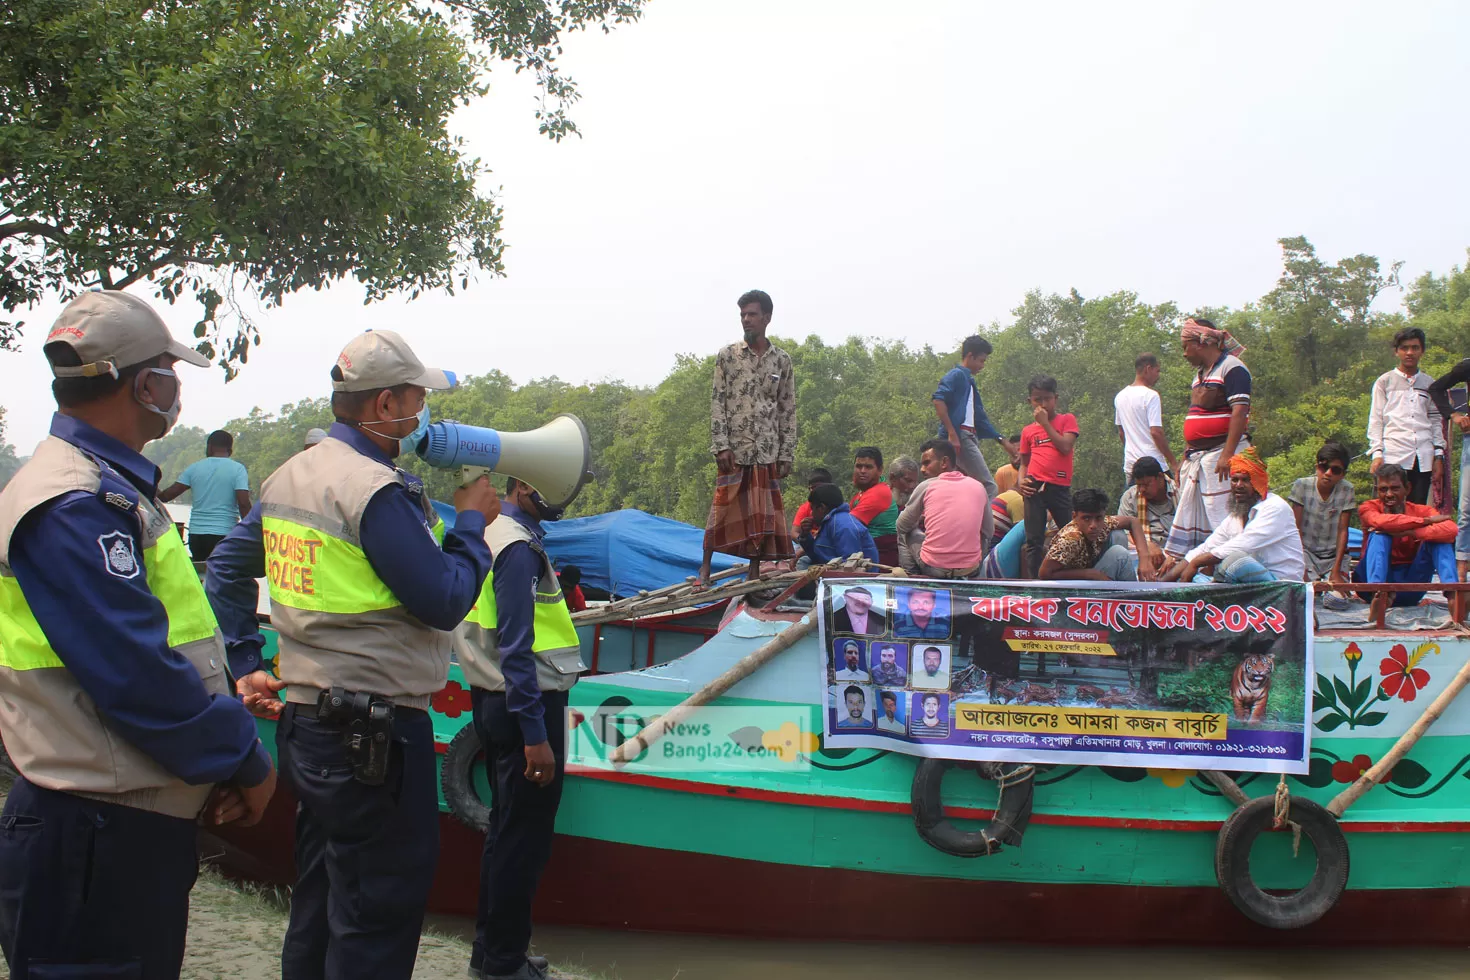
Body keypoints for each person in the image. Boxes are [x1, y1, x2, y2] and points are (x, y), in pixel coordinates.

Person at [205, 329, 498, 980]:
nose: (425, 412)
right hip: (379, 736)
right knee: (377, 913)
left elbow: (224, 570)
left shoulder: (290, 476)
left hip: (310, 726)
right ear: (387, 404)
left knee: (321, 902)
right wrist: (474, 526)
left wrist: (248, 659)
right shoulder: (373, 490)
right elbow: (445, 599)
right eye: (419, 398)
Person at [0, 291, 276, 978]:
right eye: (169, 372)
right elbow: (137, 675)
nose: (174, 389)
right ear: (148, 386)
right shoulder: (74, 504)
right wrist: (243, 757)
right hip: (93, 831)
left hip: (116, 818)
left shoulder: (109, 490)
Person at [454, 475, 587, 980]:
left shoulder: (490, 534)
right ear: (517, 485)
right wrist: (535, 735)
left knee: (505, 833)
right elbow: (517, 646)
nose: (560, 494)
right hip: (525, 705)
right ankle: (504, 964)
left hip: (494, 700)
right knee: (522, 843)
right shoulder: (516, 548)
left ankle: (492, 953)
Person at [702, 289, 796, 584]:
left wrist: (787, 453)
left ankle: (753, 573)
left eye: (752, 314)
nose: (746, 320)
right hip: (735, 448)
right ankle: (704, 568)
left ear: (766, 318)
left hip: (767, 449)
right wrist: (720, 444)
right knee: (721, 509)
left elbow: (787, 408)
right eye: (743, 315)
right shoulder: (727, 356)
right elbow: (718, 401)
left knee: (760, 515)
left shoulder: (781, 361)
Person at [1164, 317, 1253, 560]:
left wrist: (1228, 454)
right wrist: (1186, 453)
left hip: (1221, 455)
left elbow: (1240, 411)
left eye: (1185, 346)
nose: (1184, 354)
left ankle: (1229, 563)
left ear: (1202, 342)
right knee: (1200, 515)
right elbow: (1197, 416)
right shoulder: (1201, 374)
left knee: (1224, 517)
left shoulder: (1232, 367)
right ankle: (1200, 565)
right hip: (1199, 457)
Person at [1163, 448, 1305, 584]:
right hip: (1251, 584)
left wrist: (1197, 562)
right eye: (1235, 480)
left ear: (1258, 482)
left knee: (1234, 561)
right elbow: (1205, 548)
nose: (1238, 485)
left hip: (1282, 585)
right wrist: (1160, 584)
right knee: (1195, 578)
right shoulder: (1236, 517)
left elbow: (1241, 546)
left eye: (1245, 480)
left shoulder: (1275, 507)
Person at [933, 336, 1016, 546]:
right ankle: (980, 532)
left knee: (965, 487)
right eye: (981, 360)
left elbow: (980, 418)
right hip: (960, 436)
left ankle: (960, 524)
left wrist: (1001, 440)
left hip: (969, 435)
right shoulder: (957, 375)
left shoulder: (969, 381)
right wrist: (952, 433)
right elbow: (938, 399)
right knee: (988, 486)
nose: (982, 366)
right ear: (969, 356)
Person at [1353, 463, 1458, 607]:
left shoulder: (1422, 510)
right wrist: (1425, 521)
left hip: (1410, 584)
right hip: (1369, 583)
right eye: (1384, 489)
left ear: (1407, 488)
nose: (1389, 494)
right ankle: (1378, 593)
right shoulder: (1368, 507)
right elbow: (1379, 521)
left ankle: (1453, 595)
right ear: (1377, 491)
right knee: (1379, 534)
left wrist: (1413, 532)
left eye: (1395, 488)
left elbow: (1451, 529)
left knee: (1439, 539)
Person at [1367, 327, 1443, 506]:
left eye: (1415, 348)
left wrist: (1438, 456)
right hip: (1393, 454)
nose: (1410, 353)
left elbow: (1435, 421)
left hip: (1422, 457)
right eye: (1404, 348)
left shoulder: (1429, 383)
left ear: (1422, 351)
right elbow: (1376, 419)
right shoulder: (1384, 382)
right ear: (1397, 351)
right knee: (1390, 509)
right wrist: (1377, 453)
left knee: (1417, 509)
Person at [896, 438, 986, 578]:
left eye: (927, 463)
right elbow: (988, 531)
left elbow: (901, 525)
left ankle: (912, 579)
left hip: (935, 569)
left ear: (944, 462)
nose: (922, 469)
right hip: (972, 569)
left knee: (906, 533)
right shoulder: (979, 486)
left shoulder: (927, 486)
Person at [1017, 374, 1080, 578]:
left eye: (1047, 398)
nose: (1043, 404)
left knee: (1069, 533)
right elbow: (1024, 463)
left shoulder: (1066, 420)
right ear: (1030, 401)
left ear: (1056, 398)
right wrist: (1020, 482)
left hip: (1058, 485)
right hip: (1034, 485)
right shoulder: (1027, 431)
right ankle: (1035, 585)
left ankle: (1076, 577)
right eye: (1037, 399)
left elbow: (1065, 446)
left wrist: (1045, 424)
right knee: (1033, 540)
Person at [159, 428, 252, 561]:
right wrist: (251, 532)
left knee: (201, 574)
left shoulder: (194, 468)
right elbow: (243, 503)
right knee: (223, 576)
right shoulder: (238, 469)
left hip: (197, 535)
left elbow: (166, 496)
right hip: (225, 534)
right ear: (230, 451)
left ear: (209, 447)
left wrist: (148, 485)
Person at [1039, 489, 1158, 582]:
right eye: (1086, 518)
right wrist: (1089, 574)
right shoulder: (1069, 539)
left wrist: (1144, 559)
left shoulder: (1104, 523)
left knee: (1118, 535)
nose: (1093, 525)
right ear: (1074, 517)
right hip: (1076, 587)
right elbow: (1044, 574)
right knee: (1119, 553)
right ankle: (1133, 601)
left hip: (1094, 571)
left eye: (1098, 518)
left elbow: (1133, 521)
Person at [1287, 441, 1355, 589]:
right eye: (1324, 467)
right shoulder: (1302, 486)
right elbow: (1294, 529)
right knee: (1306, 593)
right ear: (1317, 466)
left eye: (1335, 470)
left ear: (1343, 474)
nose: (1328, 473)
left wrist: (1336, 570)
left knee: (1337, 600)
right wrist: (1301, 567)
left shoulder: (1347, 490)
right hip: (1306, 553)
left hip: (1333, 556)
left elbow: (1343, 530)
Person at [1429, 360, 1470, 579]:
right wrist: (1454, 415)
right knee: (1466, 508)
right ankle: (1461, 568)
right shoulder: (1467, 367)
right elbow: (1435, 388)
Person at [1114, 353, 1179, 482]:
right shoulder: (1151, 396)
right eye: (1157, 371)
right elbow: (1156, 432)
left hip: (1131, 466)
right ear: (1148, 369)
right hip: (1153, 466)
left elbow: (1122, 433)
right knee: (1170, 500)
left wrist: (1134, 448)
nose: (1158, 375)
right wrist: (1173, 462)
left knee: (1135, 501)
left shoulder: (1120, 396)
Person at [796, 483, 878, 565]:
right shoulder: (829, 523)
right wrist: (805, 535)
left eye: (812, 509)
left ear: (822, 508)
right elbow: (818, 556)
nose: (811, 513)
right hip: (833, 572)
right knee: (804, 562)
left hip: (855, 576)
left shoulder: (844, 526)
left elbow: (851, 566)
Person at [850, 446, 900, 565]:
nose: (862, 471)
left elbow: (849, 525)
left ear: (880, 470)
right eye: (858, 466)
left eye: (868, 467)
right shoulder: (860, 494)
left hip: (879, 559)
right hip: (867, 554)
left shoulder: (879, 492)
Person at [1117, 456, 1177, 555]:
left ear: (1160, 477)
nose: (1142, 490)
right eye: (1139, 485)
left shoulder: (1180, 492)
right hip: (1144, 552)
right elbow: (1124, 533)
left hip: (1176, 551)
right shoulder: (1130, 497)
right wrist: (1146, 545)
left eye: (1146, 484)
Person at [789, 467, 833, 538]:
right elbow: (794, 533)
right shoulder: (805, 508)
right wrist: (804, 539)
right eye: (812, 488)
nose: (814, 491)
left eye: (818, 487)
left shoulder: (835, 508)